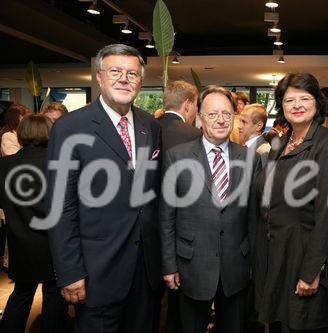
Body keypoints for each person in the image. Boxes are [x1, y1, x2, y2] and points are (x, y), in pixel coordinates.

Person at [46, 44, 163, 333]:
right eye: (115, 71)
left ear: (140, 81)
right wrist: (70, 271)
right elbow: (60, 205)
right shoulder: (71, 127)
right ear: (99, 77)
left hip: (145, 272)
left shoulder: (151, 126)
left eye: (132, 73)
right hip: (96, 272)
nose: (124, 78)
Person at [253, 73, 328, 332]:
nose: (297, 105)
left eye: (304, 98)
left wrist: (312, 271)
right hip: (278, 260)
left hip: (305, 260)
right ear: (282, 106)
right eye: (289, 100)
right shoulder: (280, 144)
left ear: (317, 103)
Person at [160, 85, 260, 333]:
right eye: (213, 114)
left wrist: (254, 264)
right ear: (200, 117)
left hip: (236, 267)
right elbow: (166, 217)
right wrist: (169, 264)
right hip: (191, 266)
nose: (221, 120)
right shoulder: (177, 157)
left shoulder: (249, 158)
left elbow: (253, 217)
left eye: (226, 113)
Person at [0, 114, 68, 333]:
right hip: (54, 245)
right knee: (54, 297)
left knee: (21, 294)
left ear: (21, 135)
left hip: (20, 242)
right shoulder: (61, 165)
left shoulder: (4, 165)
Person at [157, 80, 202, 333]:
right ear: (188, 105)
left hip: (146, 227)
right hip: (184, 229)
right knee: (180, 302)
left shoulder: (145, 130)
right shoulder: (195, 137)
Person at [239, 103, 271, 167]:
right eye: (239, 121)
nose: (239, 126)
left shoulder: (263, 151)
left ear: (259, 126)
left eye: (244, 122)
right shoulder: (246, 146)